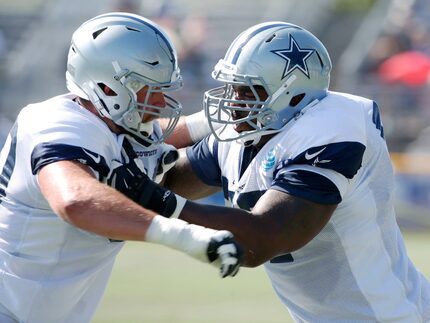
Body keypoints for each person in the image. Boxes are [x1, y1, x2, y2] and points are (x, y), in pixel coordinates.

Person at [112, 22, 430, 321]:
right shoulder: (245, 134)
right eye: (230, 86)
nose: (232, 100)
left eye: (247, 90)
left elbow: (261, 240)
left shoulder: (333, 132)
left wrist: (156, 199)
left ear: (294, 93)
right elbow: (167, 180)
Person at [0, 12, 243, 323]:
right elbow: (75, 200)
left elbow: (160, 136)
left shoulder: (121, 124)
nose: (160, 101)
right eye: (147, 87)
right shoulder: (54, 123)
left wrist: (222, 119)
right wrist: (184, 236)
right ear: (107, 87)